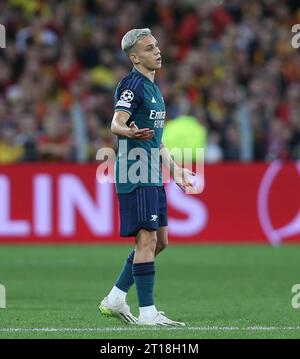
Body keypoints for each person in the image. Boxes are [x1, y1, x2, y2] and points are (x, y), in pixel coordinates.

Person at [99, 28, 196, 326]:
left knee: (160, 241)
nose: (157, 51)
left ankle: (116, 297)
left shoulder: (154, 89)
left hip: (153, 171)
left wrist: (175, 169)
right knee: (147, 239)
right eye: (149, 48)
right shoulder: (132, 84)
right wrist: (128, 131)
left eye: (156, 45)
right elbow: (116, 122)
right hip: (136, 170)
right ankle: (147, 314)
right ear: (134, 57)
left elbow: (159, 141)